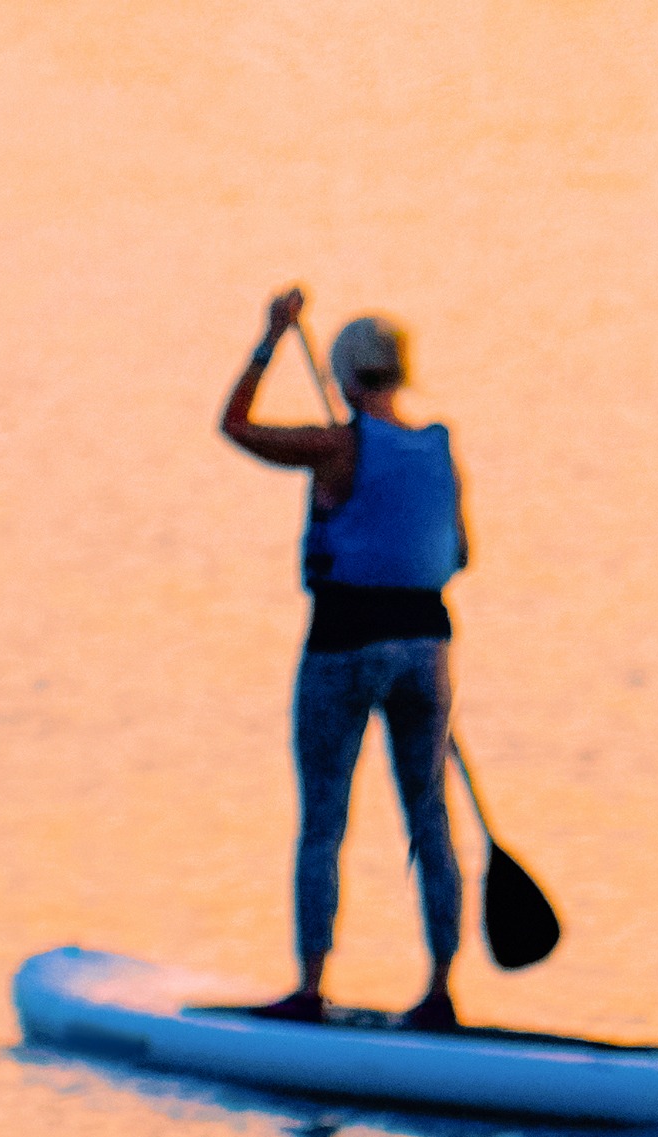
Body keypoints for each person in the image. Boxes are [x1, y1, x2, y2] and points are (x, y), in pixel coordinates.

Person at [218, 285, 470, 1028]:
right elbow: (458, 553)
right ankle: (439, 992)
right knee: (429, 816)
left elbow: (234, 426)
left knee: (324, 820)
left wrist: (270, 337)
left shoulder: (337, 445)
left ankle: (309, 986)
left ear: (347, 374)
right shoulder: (438, 447)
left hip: (343, 644)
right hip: (426, 647)